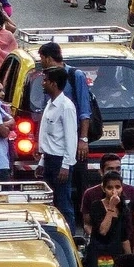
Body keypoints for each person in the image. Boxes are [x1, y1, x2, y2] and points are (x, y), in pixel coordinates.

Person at [38, 67, 80, 226]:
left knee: (63, 203)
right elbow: (49, 137)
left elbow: (71, 138)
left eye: (45, 80)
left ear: (53, 84)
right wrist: (42, 161)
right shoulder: (50, 104)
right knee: (49, 202)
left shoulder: (66, 106)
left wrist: (66, 165)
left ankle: (69, 235)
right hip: (49, 159)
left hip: (59, 161)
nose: (42, 83)